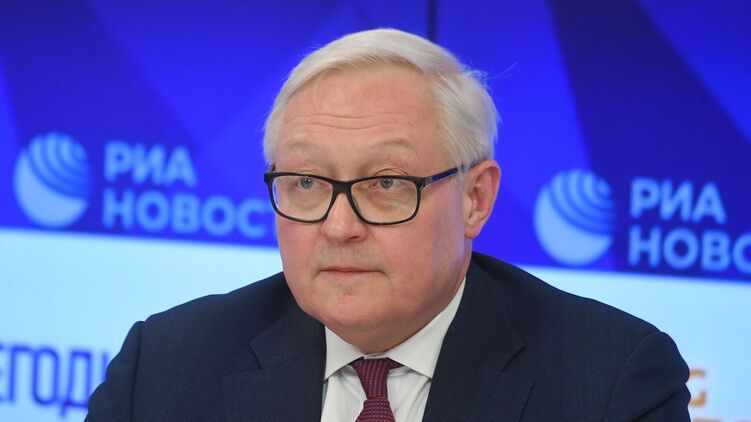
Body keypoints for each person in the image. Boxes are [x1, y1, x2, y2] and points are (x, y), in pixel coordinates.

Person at [86, 28, 690, 421]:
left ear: (475, 199)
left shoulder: (611, 384)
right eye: (307, 183)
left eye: (386, 184)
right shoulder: (165, 368)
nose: (339, 227)